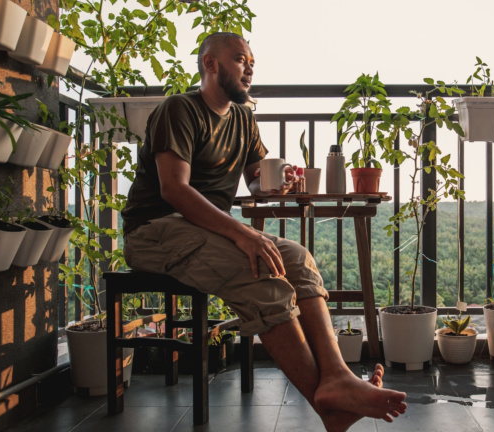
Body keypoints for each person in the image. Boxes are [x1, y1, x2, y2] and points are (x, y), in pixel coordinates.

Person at [121, 32, 407, 431]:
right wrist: (242, 234)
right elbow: (175, 190)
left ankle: (338, 377)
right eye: (240, 58)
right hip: (154, 230)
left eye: (252, 61)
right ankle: (328, 403)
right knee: (261, 275)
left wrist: (278, 182)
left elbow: (256, 182)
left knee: (298, 260)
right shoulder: (179, 109)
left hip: (203, 230)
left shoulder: (242, 117)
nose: (250, 67)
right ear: (210, 64)